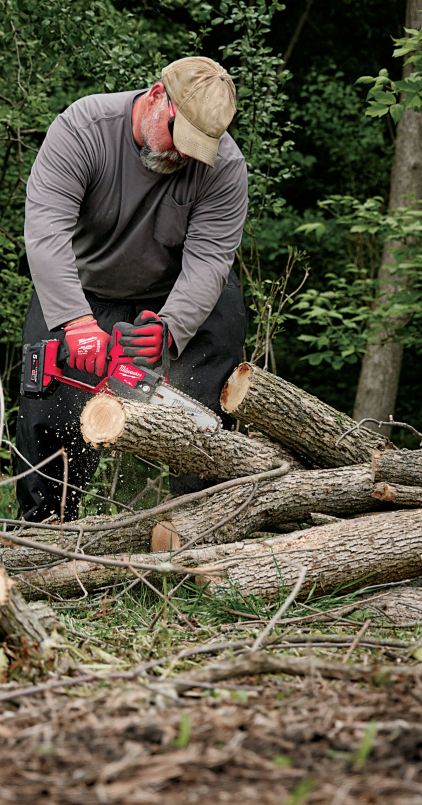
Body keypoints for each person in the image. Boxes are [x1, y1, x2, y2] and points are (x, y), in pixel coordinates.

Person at [15, 56, 249, 522]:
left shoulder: (225, 167)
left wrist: (171, 327)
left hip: (174, 293)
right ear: (158, 95)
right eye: (177, 137)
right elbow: (45, 232)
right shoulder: (84, 128)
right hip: (85, 287)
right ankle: (46, 527)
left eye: (196, 148)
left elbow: (208, 262)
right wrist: (76, 322)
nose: (182, 154)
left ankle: (200, 521)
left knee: (214, 364)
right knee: (48, 386)